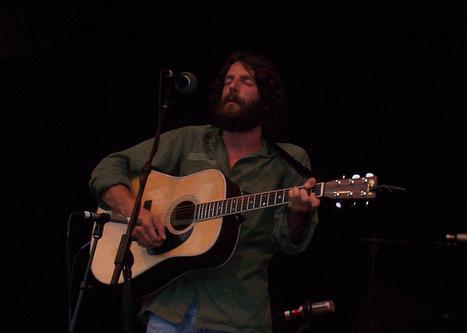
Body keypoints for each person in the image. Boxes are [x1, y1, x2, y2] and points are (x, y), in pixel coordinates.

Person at [89, 50, 320, 333]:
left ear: (266, 96)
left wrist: (299, 213)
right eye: (227, 81)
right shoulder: (190, 140)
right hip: (169, 309)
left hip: (238, 315)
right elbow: (109, 167)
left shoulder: (288, 160)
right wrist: (134, 212)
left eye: (246, 81)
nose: (232, 87)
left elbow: (290, 242)